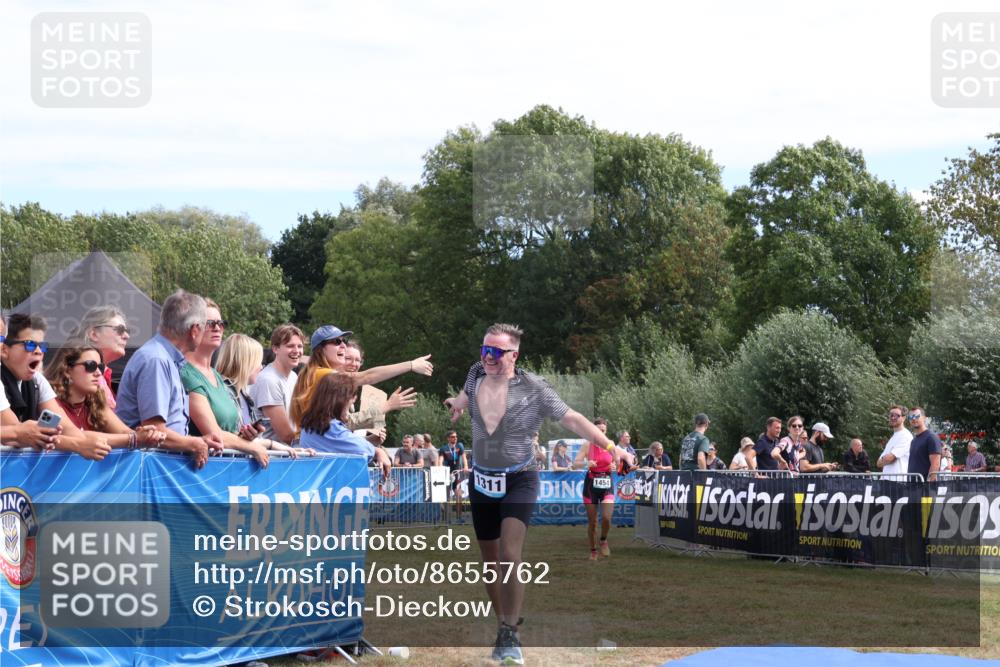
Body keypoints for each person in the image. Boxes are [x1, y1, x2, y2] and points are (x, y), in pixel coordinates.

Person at [443, 323, 634, 665]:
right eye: (484, 350)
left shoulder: (534, 388)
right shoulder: (476, 371)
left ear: (514, 356)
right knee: (490, 563)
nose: (487, 357)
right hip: (483, 480)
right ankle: (502, 625)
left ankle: (510, 632)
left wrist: (610, 446)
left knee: (509, 555)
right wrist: (457, 403)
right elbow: (466, 392)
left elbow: (572, 419)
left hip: (520, 478)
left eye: (495, 352)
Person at [116, 290, 224, 468]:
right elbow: (154, 431)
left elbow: (166, 430)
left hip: (154, 468)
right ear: (195, 330)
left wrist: (197, 441)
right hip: (146, 470)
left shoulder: (164, 358)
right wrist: (194, 443)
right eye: (206, 325)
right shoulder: (157, 360)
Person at [182, 300, 295, 468]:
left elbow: (230, 435)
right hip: (200, 472)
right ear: (192, 327)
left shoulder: (216, 376)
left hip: (225, 469)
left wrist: (246, 436)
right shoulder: (186, 373)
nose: (217, 328)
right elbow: (215, 435)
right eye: (209, 323)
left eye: (221, 323)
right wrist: (255, 446)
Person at [290, 325, 428, 433]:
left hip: (311, 445)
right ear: (320, 350)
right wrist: (411, 365)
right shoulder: (324, 374)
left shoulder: (314, 373)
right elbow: (367, 376)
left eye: (343, 341)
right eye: (337, 341)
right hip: (315, 448)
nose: (343, 345)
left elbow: (344, 423)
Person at [1, 314, 100, 458]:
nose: (38, 351)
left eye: (42, 346)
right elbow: (18, 435)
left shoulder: (37, 380)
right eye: (30, 344)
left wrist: (133, 439)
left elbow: (70, 432)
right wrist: (77, 445)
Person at [46, 345, 164, 449]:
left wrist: (147, 434)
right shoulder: (49, 401)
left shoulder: (95, 401)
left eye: (100, 367)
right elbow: (78, 436)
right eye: (91, 366)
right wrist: (135, 439)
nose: (98, 373)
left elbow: (124, 431)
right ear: (67, 370)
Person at [298, 373, 392, 477]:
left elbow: (340, 443)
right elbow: (362, 449)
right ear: (339, 400)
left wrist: (370, 441)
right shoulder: (331, 426)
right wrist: (378, 451)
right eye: (351, 396)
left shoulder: (312, 422)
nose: (354, 399)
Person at [46, 305, 131, 409]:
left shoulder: (104, 373)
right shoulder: (83, 380)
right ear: (93, 334)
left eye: (127, 331)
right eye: (120, 329)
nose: (126, 336)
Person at [251, 324, 306, 444]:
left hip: (290, 451)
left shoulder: (293, 377)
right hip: (273, 456)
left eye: (300, 346)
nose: (296, 351)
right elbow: (285, 435)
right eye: (290, 346)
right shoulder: (269, 380)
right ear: (275, 349)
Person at [573, 426, 619, 561]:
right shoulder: (587, 445)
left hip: (607, 484)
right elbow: (576, 464)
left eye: (603, 430)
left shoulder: (611, 445)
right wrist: (587, 463)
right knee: (592, 522)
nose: (601, 432)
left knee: (606, 517)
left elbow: (619, 462)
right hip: (591, 486)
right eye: (598, 429)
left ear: (606, 431)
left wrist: (615, 466)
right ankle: (593, 551)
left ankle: (603, 540)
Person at [438, 429, 469, 521]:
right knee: (446, 496)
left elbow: (464, 458)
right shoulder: (443, 448)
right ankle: (446, 517)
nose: (455, 438)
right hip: (446, 473)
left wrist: (466, 466)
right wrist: (440, 468)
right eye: (452, 437)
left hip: (456, 473)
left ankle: (459, 517)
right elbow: (440, 460)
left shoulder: (460, 446)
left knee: (458, 495)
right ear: (448, 438)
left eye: (456, 437)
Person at [906, 407, 943, 481]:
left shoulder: (931, 437)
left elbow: (935, 464)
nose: (913, 419)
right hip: (912, 485)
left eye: (917, 416)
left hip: (925, 487)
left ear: (924, 418)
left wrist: (928, 486)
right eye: (910, 417)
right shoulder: (914, 440)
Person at [877, 405, 913, 478]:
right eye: (891, 415)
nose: (893, 418)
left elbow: (889, 458)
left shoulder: (905, 436)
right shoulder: (893, 437)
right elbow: (878, 463)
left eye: (897, 415)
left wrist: (886, 459)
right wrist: (886, 459)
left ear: (903, 418)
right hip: (886, 481)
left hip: (898, 481)